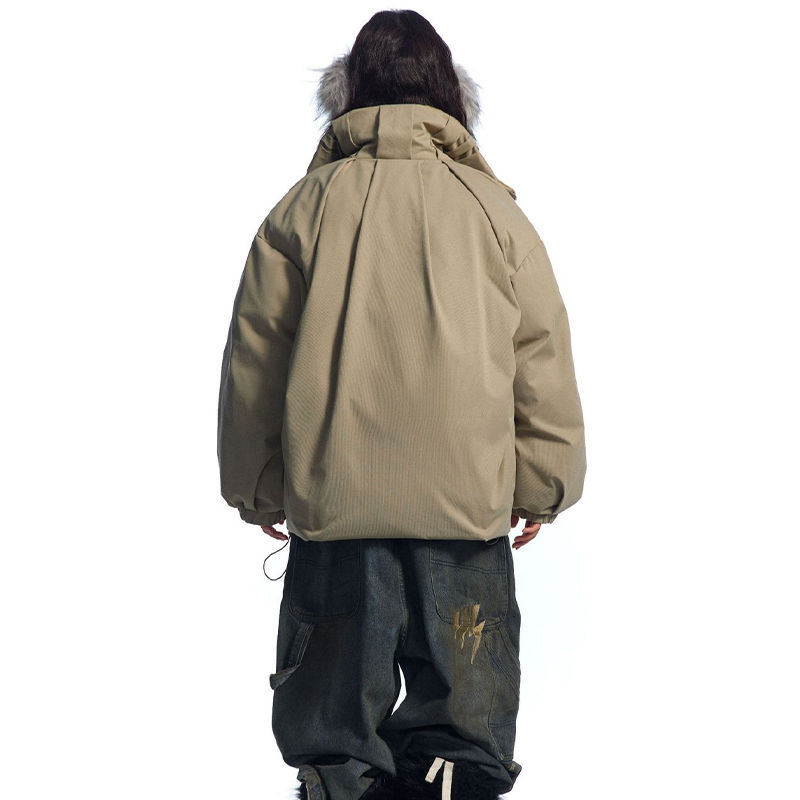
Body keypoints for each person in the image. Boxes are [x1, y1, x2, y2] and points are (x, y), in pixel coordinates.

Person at [216, 9, 586, 800]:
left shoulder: (300, 212)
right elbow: (539, 355)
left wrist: (257, 485)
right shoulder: (495, 214)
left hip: (335, 512)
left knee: (334, 743)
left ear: (348, 92)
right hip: (465, 518)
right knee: (463, 741)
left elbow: (256, 361)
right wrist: (543, 482)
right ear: (453, 95)